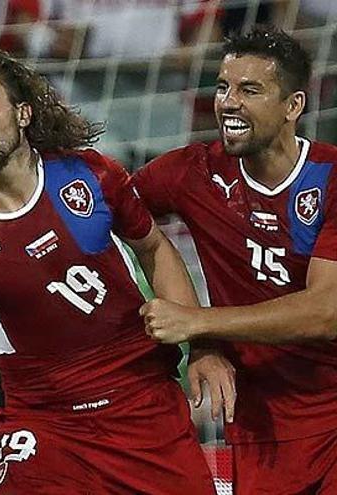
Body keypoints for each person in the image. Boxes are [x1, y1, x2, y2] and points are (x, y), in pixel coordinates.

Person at [0, 49, 215, 494]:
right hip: (45, 421)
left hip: (141, 402)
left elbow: (154, 248)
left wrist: (201, 345)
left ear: (22, 113)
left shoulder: (89, 177)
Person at [131, 26, 337, 494]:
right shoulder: (192, 172)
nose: (228, 102)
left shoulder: (331, 179)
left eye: (250, 90)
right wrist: (203, 346)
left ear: (294, 106)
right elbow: (97, 207)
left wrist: (198, 324)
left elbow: (327, 312)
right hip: (258, 421)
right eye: (223, 87)